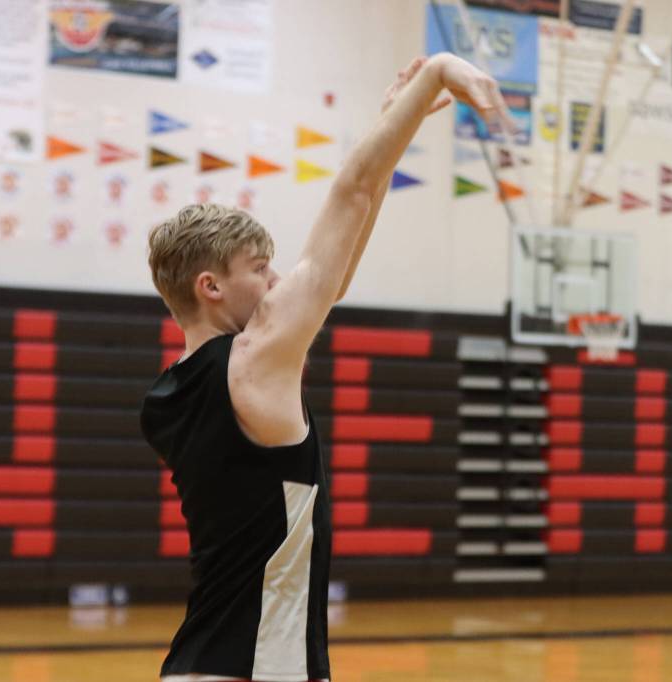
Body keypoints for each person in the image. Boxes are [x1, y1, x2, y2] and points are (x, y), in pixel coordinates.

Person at [140, 53, 510, 682]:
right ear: (211, 287)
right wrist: (435, 75)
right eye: (259, 267)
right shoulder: (254, 362)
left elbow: (333, 271)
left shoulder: (165, 399)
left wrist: (397, 122)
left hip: (196, 662)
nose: (277, 279)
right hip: (261, 667)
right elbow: (351, 194)